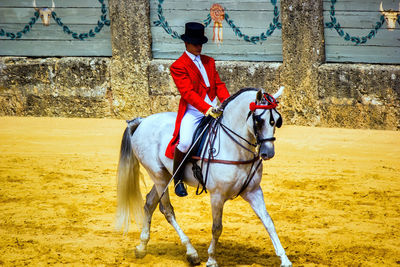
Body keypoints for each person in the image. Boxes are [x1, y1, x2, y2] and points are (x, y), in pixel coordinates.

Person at [165, 22, 231, 197]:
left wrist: (227, 101)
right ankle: (178, 178)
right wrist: (206, 108)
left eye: (200, 43)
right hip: (195, 110)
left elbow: (218, 84)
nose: (198, 47)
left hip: (215, 106)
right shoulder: (178, 66)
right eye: (195, 44)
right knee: (185, 142)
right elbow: (187, 93)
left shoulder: (209, 61)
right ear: (186, 44)